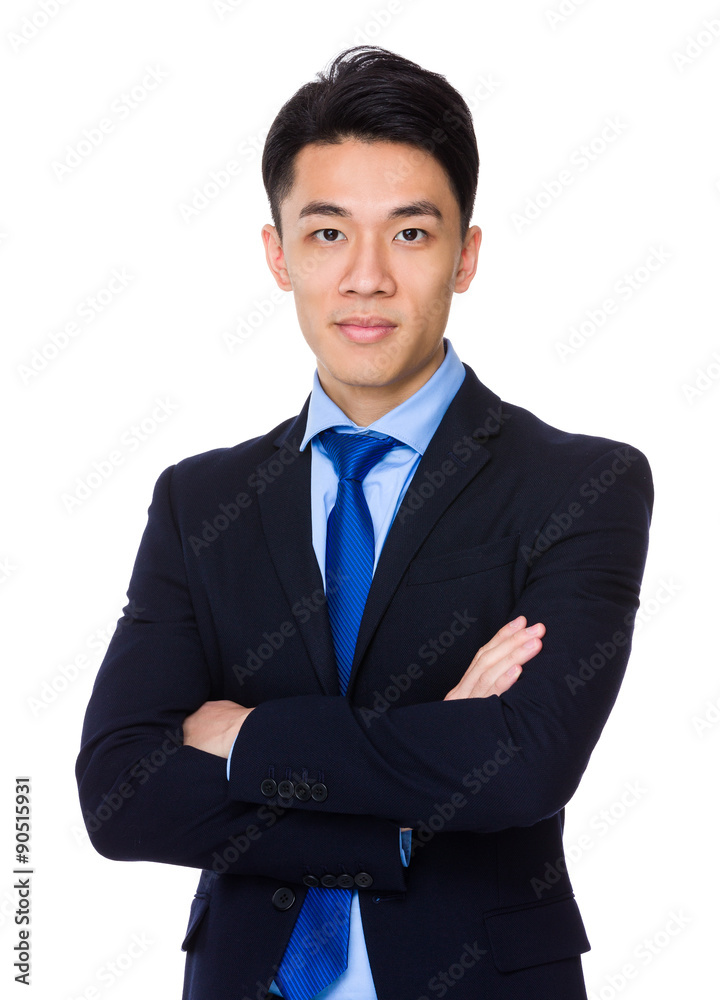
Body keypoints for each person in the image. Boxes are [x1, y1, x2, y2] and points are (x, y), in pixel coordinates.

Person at [76, 46, 653, 1000]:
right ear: (280, 256)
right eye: (328, 233)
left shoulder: (580, 483)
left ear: (465, 255)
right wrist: (409, 804)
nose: (367, 276)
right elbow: (119, 794)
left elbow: (523, 768)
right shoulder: (201, 501)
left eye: (411, 233)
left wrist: (245, 738)